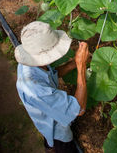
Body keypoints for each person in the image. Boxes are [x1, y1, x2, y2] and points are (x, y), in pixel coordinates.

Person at [15, 21, 89, 153]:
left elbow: (52, 74)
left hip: (45, 116)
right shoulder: (35, 89)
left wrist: (73, 64)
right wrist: (81, 66)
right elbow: (79, 109)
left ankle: (49, 147)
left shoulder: (31, 61)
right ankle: (53, 147)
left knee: (47, 135)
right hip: (57, 131)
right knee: (62, 146)